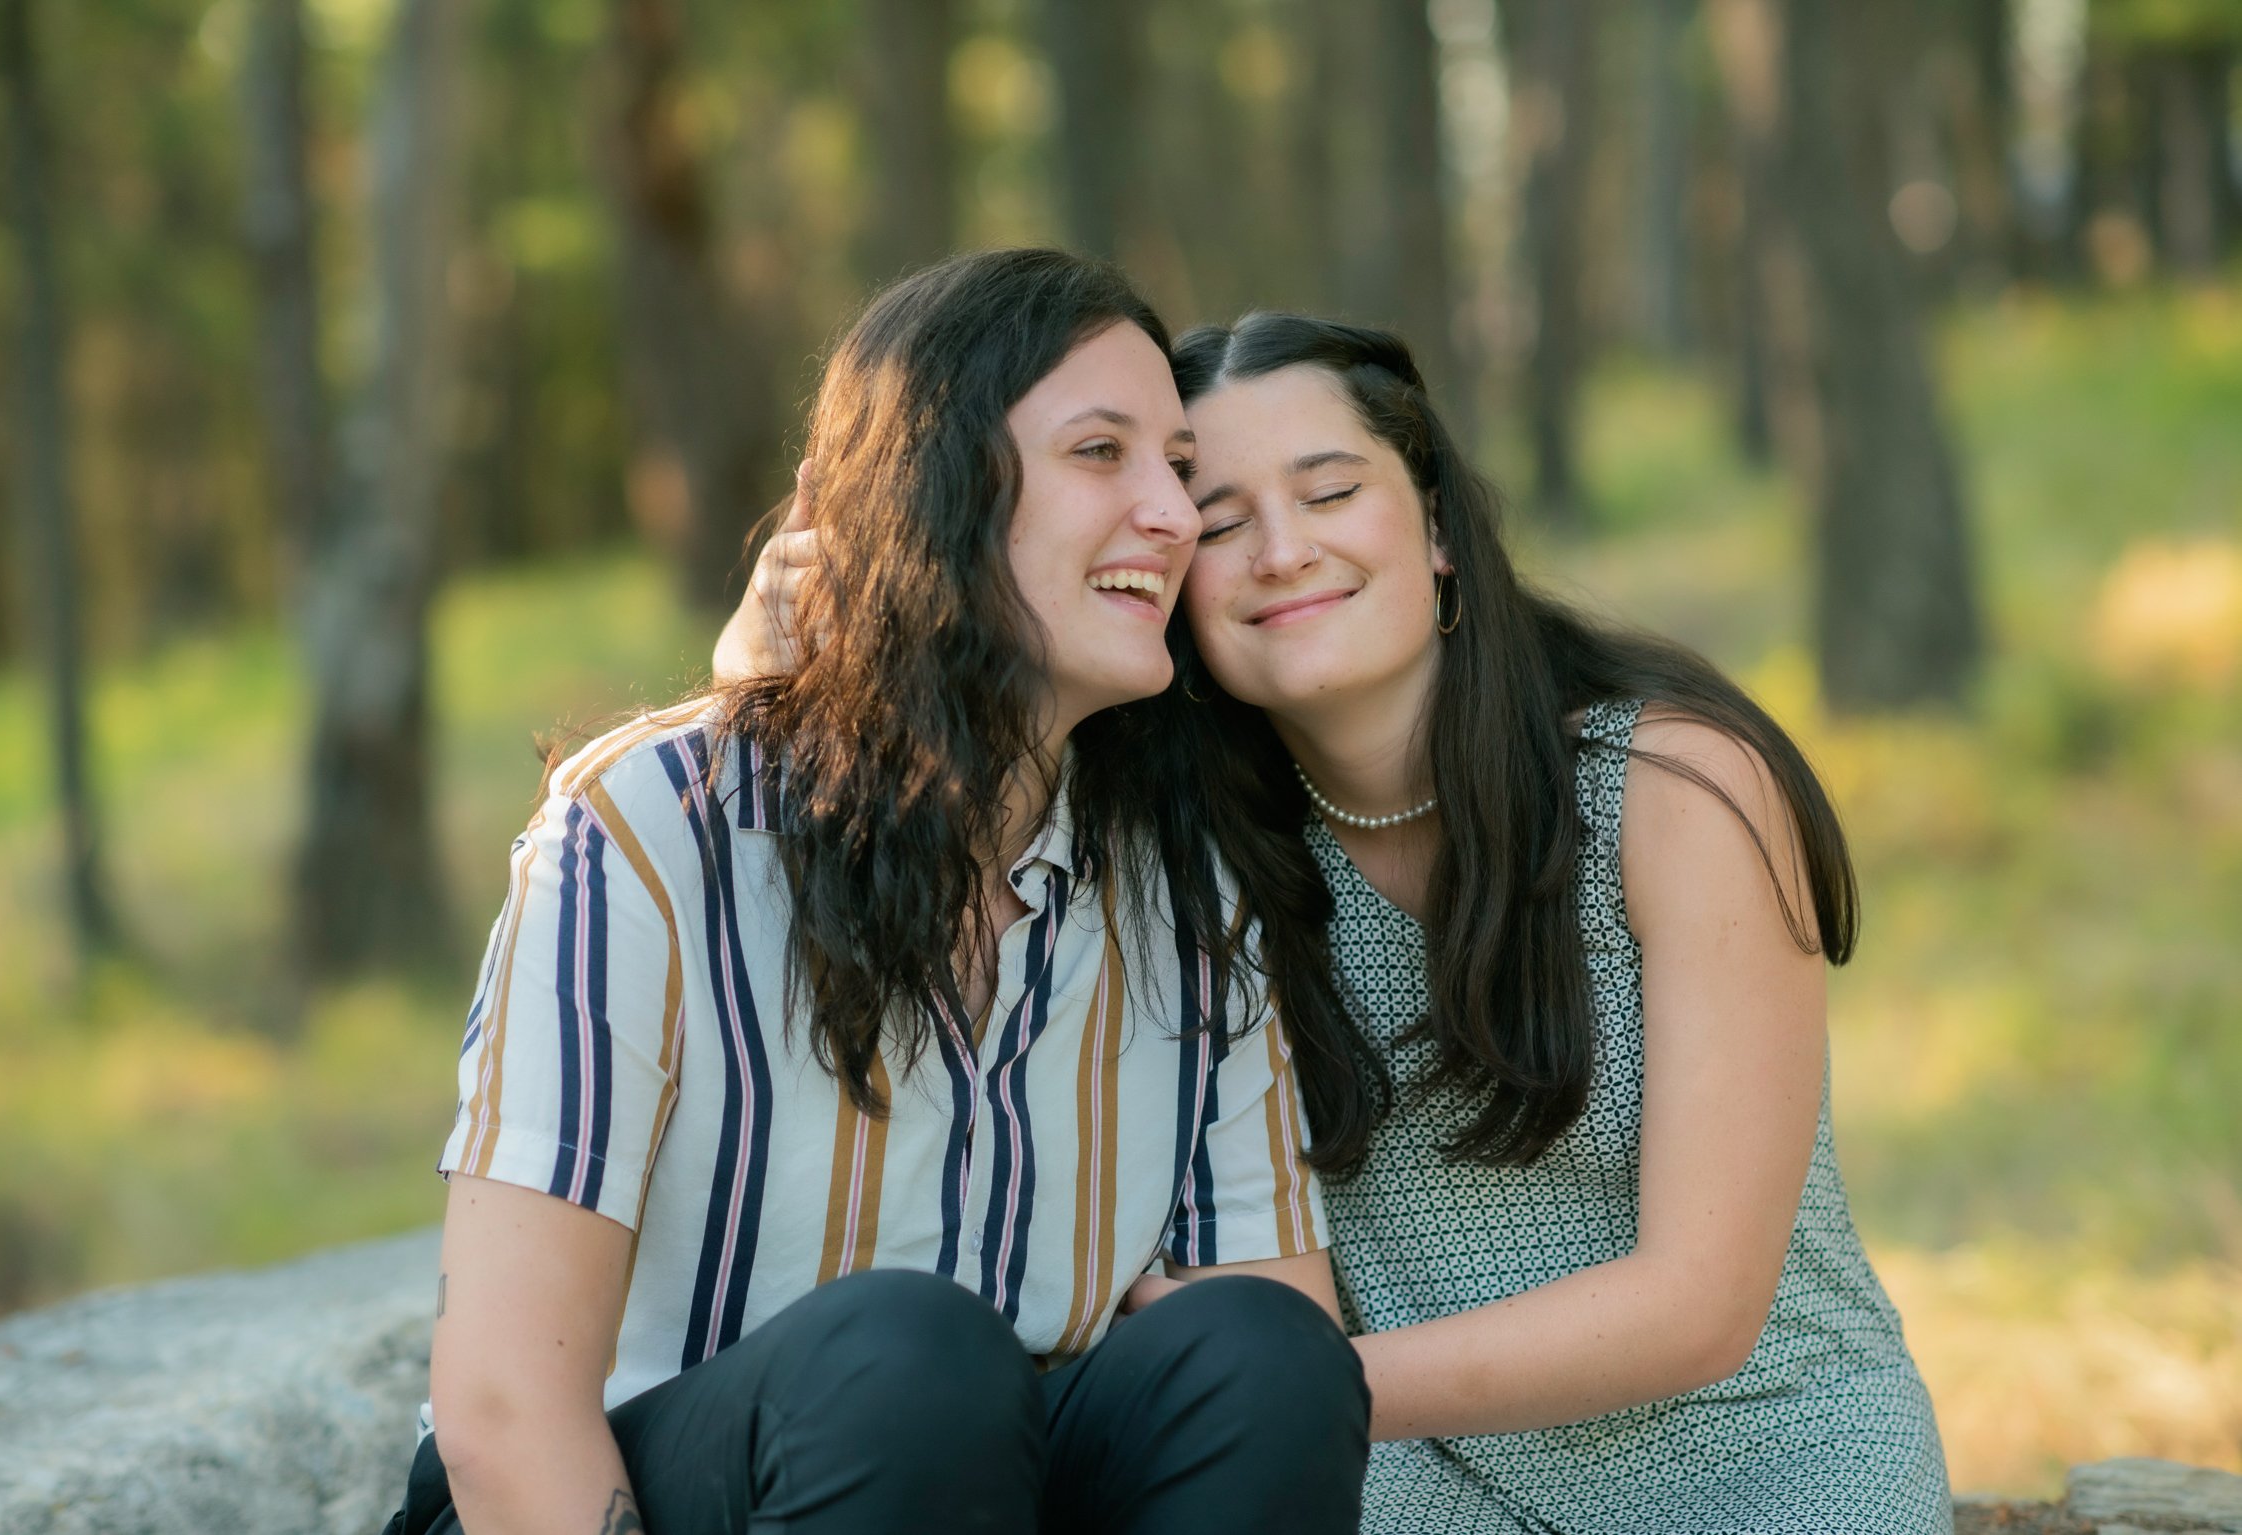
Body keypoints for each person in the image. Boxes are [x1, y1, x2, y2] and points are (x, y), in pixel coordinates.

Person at [724, 309, 1954, 1534]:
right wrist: (758, 669)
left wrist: (1268, 1387)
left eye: (1327, 492)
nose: (1279, 551)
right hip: (1411, 1487)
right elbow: (902, 864)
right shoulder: (1183, 854)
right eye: (1218, 521)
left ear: (1434, 528)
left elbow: (1700, 1305)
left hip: (1774, 1460)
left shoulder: (1675, 789)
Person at [392, 251, 1368, 1535]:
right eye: (1099, 452)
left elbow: (1271, 1330)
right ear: (930, 488)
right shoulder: (647, 827)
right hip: (608, 1503)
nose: (1176, 516)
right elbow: (505, 1411)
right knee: (906, 1360)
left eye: (1176, 469)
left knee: (1260, 1354)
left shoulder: (1183, 889)